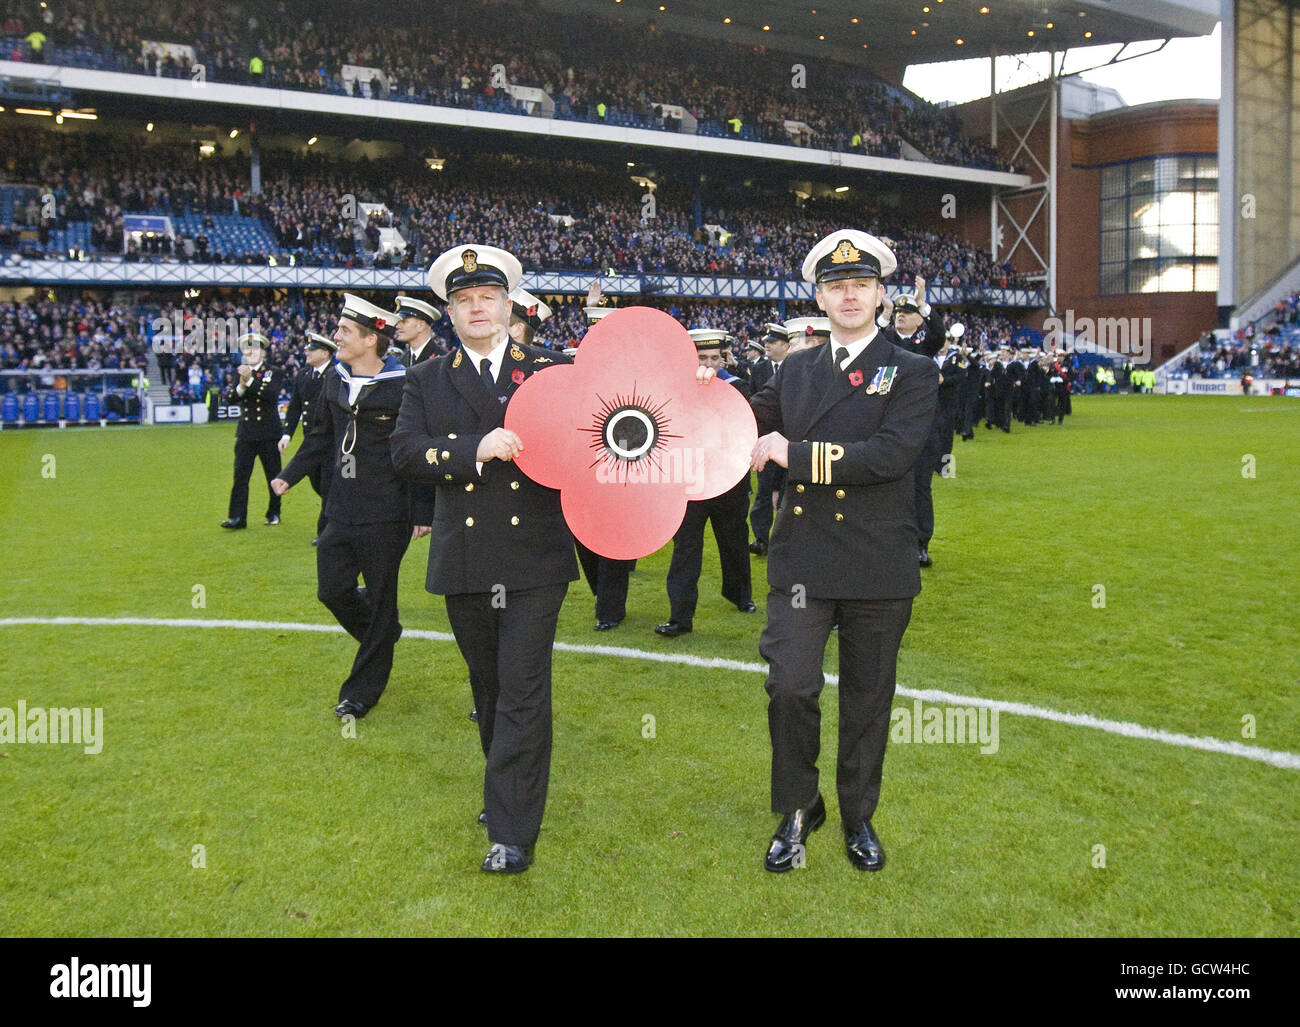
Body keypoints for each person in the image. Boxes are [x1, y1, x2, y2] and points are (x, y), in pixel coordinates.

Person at [747, 229, 938, 873]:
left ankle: (858, 813)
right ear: (820, 297)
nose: (848, 294)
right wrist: (702, 395)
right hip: (803, 560)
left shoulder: (912, 370)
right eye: (835, 285)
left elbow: (889, 458)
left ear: (881, 295)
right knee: (791, 687)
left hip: (877, 563)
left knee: (867, 698)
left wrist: (793, 456)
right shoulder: (796, 368)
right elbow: (749, 420)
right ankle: (799, 806)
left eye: (860, 284)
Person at [390, 244, 578, 875]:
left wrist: (691, 382)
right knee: (490, 687)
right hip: (465, 557)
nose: (477, 309)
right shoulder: (426, 378)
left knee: (523, 689)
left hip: (534, 560)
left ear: (507, 306)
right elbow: (405, 454)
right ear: (451, 312)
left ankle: (512, 828)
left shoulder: (549, 370)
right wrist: (477, 447)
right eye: (464, 300)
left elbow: (611, 416)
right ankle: (507, 789)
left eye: (487, 299)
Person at [271, 294, 421, 719]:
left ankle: (360, 692)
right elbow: (320, 436)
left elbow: (415, 449)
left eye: (344, 331)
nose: (335, 336)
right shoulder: (334, 379)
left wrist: (423, 512)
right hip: (340, 507)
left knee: (380, 596)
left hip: (388, 513)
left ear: (371, 340)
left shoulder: (404, 384)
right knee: (332, 590)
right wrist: (290, 474)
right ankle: (384, 633)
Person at [654, 328, 755, 638]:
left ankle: (741, 596)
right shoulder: (673, 389)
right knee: (685, 550)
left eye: (715, 357)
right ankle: (679, 617)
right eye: (702, 358)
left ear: (723, 356)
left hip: (729, 481)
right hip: (690, 482)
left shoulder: (739, 387)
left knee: (735, 542)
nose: (709, 364)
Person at [221, 332, 284, 529]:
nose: (250, 353)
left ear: (263, 352)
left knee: (273, 476)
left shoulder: (272, 372)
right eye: (247, 350)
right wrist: (241, 384)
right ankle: (237, 517)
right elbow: (230, 398)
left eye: (254, 349)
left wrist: (248, 381)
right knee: (240, 477)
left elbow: (270, 395)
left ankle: (274, 512)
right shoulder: (240, 372)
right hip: (246, 433)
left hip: (268, 433)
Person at [278, 331, 335, 541]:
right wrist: (286, 434)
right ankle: (337, 512)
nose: (306, 352)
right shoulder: (303, 374)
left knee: (329, 486)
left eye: (311, 349)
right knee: (317, 482)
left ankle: (326, 532)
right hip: (311, 442)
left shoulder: (337, 374)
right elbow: (294, 407)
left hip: (331, 442)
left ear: (325, 353)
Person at [748, 323, 790, 556]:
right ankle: (761, 539)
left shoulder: (798, 367)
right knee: (764, 491)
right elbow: (757, 401)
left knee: (788, 493)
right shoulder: (759, 368)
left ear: (785, 345)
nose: (767, 346)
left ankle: (784, 539)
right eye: (766, 342)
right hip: (766, 440)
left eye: (772, 343)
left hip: (792, 440)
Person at [394, 295, 442, 366]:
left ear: (421, 326)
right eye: (398, 322)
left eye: (404, 322)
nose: (397, 326)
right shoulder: (401, 361)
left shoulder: (442, 359)